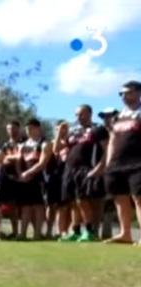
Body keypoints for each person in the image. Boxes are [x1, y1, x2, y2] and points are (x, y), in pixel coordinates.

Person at [59, 106, 110, 242]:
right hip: (70, 169)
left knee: (83, 200)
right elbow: (57, 149)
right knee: (73, 201)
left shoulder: (97, 129)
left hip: (86, 168)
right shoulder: (73, 132)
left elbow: (107, 149)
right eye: (76, 115)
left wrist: (100, 167)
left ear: (89, 114)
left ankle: (90, 230)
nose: (78, 117)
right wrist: (60, 133)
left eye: (81, 114)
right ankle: (75, 231)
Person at [104, 80, 141, 245]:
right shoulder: (118, 116)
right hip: (117, 164)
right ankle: (125, 233)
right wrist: (109, 162)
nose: (124, 96)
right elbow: (112, 138)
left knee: (139, 197)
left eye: (128, 92)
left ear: (138, 93)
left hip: (137, 162)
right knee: (120, 198)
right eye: (122, 94)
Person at [16, 118, 53, 240]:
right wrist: (20, 174)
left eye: (31, 128)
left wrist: (28, 173)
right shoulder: (23, 145)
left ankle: (37, 234)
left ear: (38, 128)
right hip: (25, 180)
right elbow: (18, 161)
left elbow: (42, 163)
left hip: (39, 178)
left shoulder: (45, 143)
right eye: (27, 129)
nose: (29, 131)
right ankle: (23, 234)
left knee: (38, 207)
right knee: (26, 207)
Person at [98, 108, 120, 239]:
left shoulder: (123, 131)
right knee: (107, 201)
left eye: (110, 116)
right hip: (105, 172)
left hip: (123, 169)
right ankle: (106, 233)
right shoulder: (100, 132)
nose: (107, 119)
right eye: (104, 117)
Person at [0, 120, 24, 238]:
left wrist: (10, 158)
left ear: (19, 129)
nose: (11, 131)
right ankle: (15, 231)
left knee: (25, 206)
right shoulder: (5, 145)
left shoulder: (24, 142)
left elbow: (21, 158)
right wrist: (12, 157)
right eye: (9, 129)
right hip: (8, 178)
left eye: (14, 128)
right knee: (11, 207)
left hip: (24, 177)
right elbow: (3, 160)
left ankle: (25, 232)